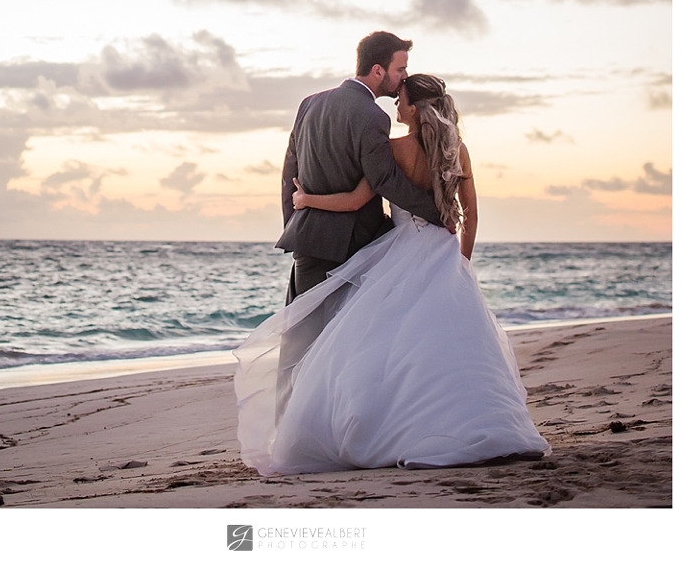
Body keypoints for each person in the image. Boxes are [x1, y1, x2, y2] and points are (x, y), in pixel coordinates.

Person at [234, 73, 550, 474]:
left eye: (400, 100)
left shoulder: (394, 150)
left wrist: (304, 198)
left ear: (413, 110)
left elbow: (353, 202)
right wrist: (461, 263)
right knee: (456, 348)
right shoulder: (458, 151)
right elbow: (469, 214)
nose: (395, 106)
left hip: (401, 254)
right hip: (443, 255)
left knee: (393, 349)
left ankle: (403, 429)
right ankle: (482, 423)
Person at [275, 31, 448, 304]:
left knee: (301, 336)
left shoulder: (309, 104)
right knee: (351, 339)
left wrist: (296, 226)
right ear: (377, 70)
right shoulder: (373, 116)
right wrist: (438, 213)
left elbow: (289, 175)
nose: (404, 76)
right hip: (355, 245)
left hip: (307, 241)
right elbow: (385, 179)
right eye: (400, 69)